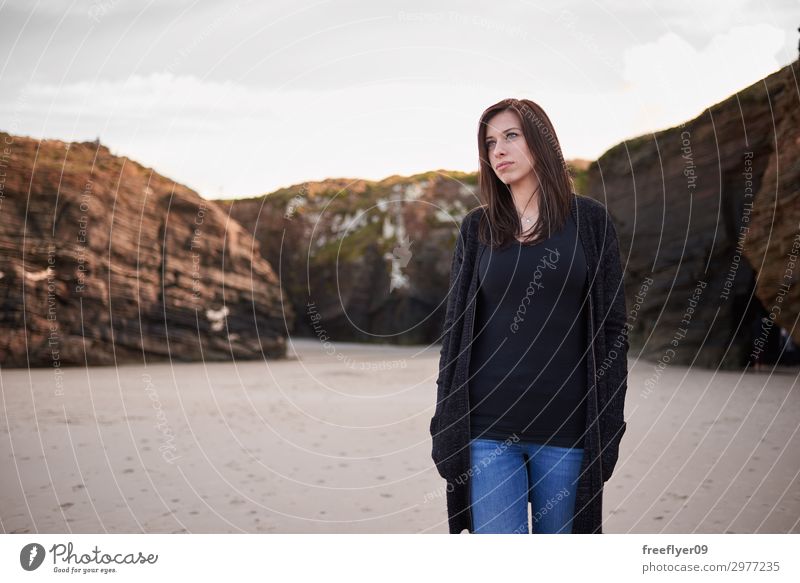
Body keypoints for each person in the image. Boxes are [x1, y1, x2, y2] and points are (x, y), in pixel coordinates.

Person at [430, 98, 629, 534]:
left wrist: (609, 426)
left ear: (541, 141)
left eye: (511, 136)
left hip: (569, 430)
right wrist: (444, 423)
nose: (497, 150)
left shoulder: (590, 222)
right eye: (489, 142)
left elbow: (613, 329)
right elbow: (455, 332)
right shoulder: (476, 228)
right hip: (486, 429)